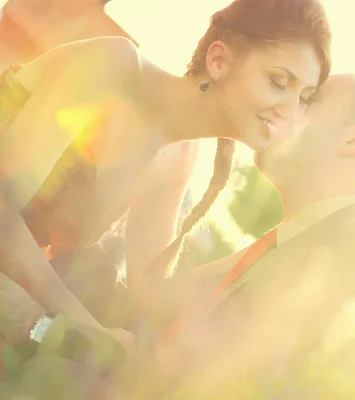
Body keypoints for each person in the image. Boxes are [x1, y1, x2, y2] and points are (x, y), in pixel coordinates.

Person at [0, 74, 355, 400]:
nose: (283, 109)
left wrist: (40, 327)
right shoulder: (311, 236)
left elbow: (198, 381)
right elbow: (155, 314)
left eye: (308, 100)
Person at [0, 0, 332, 333]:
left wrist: (282, 238)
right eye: (278, 81)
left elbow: (150, 297)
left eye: (303, 98)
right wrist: (88, 329)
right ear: (218, 61)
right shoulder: (114, 67)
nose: (291, 111)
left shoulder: (179, 157)